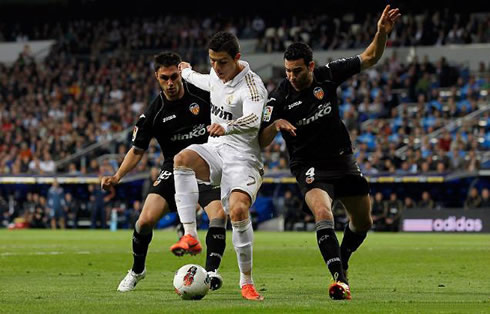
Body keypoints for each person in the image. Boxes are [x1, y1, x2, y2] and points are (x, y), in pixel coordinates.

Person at [259, 5, 401, 300]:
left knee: (364, 222)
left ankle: (343, 257)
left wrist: (380, 33)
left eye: (297, 70)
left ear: (310, 66)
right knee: (323, 213)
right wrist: (275, 124)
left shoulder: (327, 75)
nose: (292, 77)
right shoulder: (279, 97)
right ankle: (339, 278)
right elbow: (261, 140)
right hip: (309, 165)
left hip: (341, 159)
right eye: (287, 71)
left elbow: (370, 57)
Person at [100, 52, 227, 293]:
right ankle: (137, 270)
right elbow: (137, 151)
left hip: (207, 163)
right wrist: (117, 176)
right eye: (164, 78)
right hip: (174, 169)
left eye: (174, 77)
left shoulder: (203, 95)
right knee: (144, 220)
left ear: (181, 73)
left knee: (218, 214)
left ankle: (211, 272)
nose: (170, 83)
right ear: (156, 77)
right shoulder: (154, 113)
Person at [173, 31, 267, 300]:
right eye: (212, 60)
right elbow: (207, 82)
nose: (216, 67)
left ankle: (246, 282)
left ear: (237, 58)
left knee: (237, 211)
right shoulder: (216, 72)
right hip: (216, 149)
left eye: (222, 62)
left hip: (243, 157)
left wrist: (226, 126)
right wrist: (187, 73)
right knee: (182, 160)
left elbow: (254, 120)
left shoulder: (252, 86)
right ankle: (189, 234)